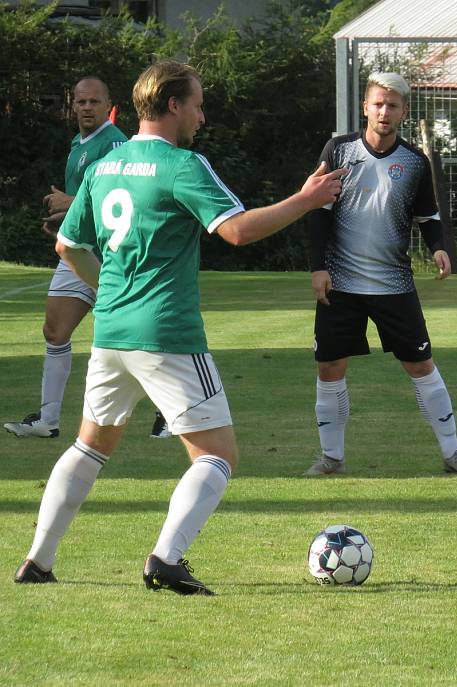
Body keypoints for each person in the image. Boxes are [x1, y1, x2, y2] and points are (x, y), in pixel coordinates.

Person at [13, 60, 345, 594]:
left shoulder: (106, 165)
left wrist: (108, 293)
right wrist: (306, 200)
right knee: (217, 455)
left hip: (112, 333)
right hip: (166, 333)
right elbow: (235, 231)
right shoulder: (182, 164)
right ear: (172, 105)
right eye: (197, 103)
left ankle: (38, 560)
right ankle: (165, 560)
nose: (203, 114)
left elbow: (66, 245)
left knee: (88, 447)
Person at [304, 72, 457, 477]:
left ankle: (453, 454)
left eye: (393, 105)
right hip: (341, 283)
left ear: (404, 111)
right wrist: (318, 267)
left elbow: (427, 214)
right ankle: (331, 459)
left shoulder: (414, 162)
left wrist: (439, 246)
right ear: (365, 107)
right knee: (330, 367)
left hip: (393, 284)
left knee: (421, 365)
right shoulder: (338, 151)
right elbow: (317, 210)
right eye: (378, 104)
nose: (384, 112)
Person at [4, 78, 126, 439]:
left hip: (110, 256)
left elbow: (119, 200)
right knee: (54, 332)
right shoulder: (79, 144)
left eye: (94, 101)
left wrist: (69, 206)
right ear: (72, 105)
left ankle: (170, 415)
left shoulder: (115, 142)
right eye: (81, 101)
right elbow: (87, 204)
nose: (87, 107)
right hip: (77, 250)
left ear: (108, 105)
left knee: (130, 337)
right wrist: (64, 224)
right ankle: (48, 420)